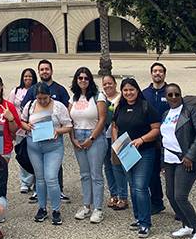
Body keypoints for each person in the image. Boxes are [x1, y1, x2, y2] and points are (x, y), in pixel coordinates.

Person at [111, 77, 160, 238]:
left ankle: (146, 223)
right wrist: (116, 142)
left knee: (140, 186)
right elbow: (115, 126)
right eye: (125, 90)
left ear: (137, 90)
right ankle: (138, 218)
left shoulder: (146, 107)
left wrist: (142, 139)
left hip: (145, 151)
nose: (128, 93)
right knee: (132, 185)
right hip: (126, 151)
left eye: (131, 89)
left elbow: (156, 129)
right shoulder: (120, 108)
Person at [161, 83, 196, 239]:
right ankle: (186, 225)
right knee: (171, 195)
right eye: (170, 95)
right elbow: (164, 139)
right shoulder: (166, 113)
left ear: (181, 95)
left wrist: (190, 155)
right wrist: (162, 162)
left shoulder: (190, 110)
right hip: (169, 160)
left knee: (180, 196)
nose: (174, 97)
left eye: (176, 94)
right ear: (166, 97)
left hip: (185, 160)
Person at [20, 82, 73, 225]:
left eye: (45, 98)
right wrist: (27, 126)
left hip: (53, 146)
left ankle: (56, 210)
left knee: (51, 177)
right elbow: (22, 122)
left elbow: (68, 126)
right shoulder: (30, 106)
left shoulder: (58, 107)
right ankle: (42, 208)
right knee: (40, 178)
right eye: (40, 98)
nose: (42, 101)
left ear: (49, 95)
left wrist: (58, 131)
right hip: (34, 146)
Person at [20, 59, 71, 203]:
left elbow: (67, 114)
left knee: (53, 173)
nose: (44, 72)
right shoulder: (32, 91)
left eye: (47, 69)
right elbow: (23, 117)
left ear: (51, 70)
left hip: (53, 141)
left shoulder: (60, 90)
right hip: (35, 141)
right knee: (40, 174)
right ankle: (39, 196)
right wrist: (26, 126)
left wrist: (59, 130)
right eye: (41, 69)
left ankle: (58, 192)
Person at [68, 67, 107, 223]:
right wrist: (72, 139)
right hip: (77, 135)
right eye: (80, 78)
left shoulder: (98, 96)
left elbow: (102, 119)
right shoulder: (73, 99)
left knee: (96, 174)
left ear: (90, 80)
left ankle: (98, 208)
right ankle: (86, 205)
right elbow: (69, 121)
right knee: (84, 174)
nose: (83, 80)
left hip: (94, 136)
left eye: (85, 78)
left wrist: (91, 138)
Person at [142, 62, 169, 214]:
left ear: (164, 74)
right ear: (151, 74)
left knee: (171, 174)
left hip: (168, 140)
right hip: (151, 139)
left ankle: (178, 206)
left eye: (160, 71)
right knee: (152, 173)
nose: (157, 73)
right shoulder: (145, 93)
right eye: (155, 71)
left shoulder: (171, 92)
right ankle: (157, 202)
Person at [101, 75, 128, 211]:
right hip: (104, 136)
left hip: (119, 136)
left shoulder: (122, 97)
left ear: (115, 84)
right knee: (108, 166)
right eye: (104, 84)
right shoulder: (101, 99)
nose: (107, 86)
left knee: (119, 166)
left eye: (110, 83)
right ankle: (114, 194)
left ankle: (123, 196)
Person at [8, 68, 37, 193]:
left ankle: (36, 181)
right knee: (22, 155)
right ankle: (25, 182)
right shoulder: (15, 91)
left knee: (34, 155)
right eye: (25, 76)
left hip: (32, 128)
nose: (28, 79)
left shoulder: (37, 90)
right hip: (19, 128)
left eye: (30, 76)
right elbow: (9, 108)